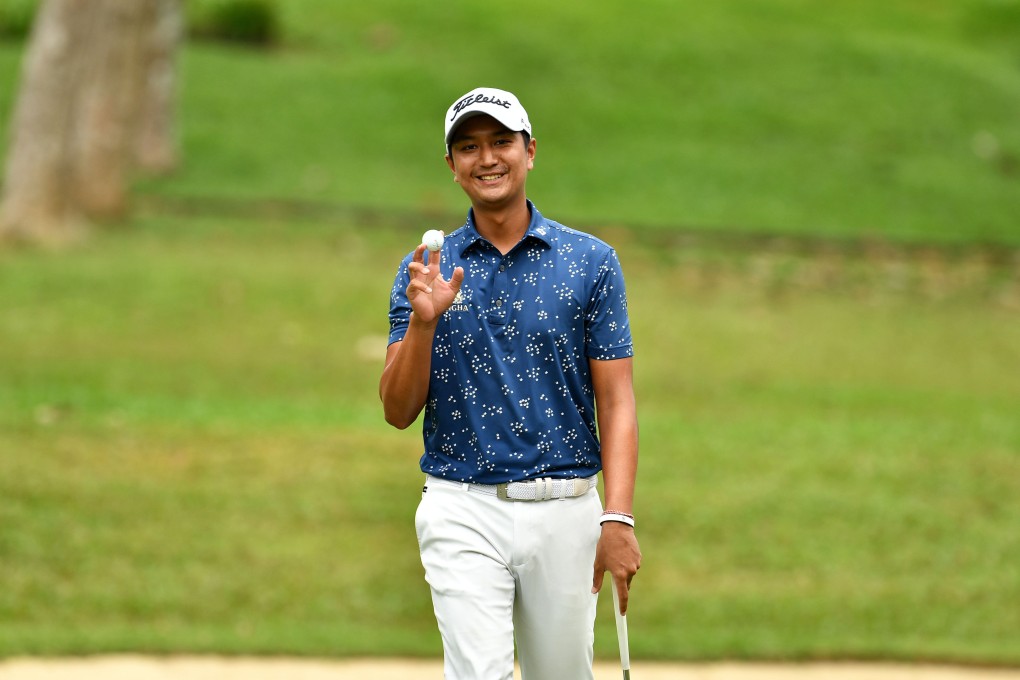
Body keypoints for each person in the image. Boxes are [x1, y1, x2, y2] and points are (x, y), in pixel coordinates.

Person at [379, 86, 641, 680]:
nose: (487, 158)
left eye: (501, 142)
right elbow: (397, 410)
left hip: (568, 509)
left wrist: (617, 519)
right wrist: (424, 323)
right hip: (461, 506)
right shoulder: (425, 268)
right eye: (468, 147)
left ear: (530, 151)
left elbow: (616, 400)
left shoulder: (590, 262)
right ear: (452, 167)